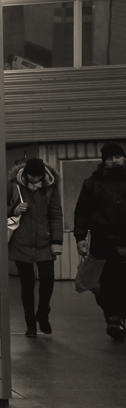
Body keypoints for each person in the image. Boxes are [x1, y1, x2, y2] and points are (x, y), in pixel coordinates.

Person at [74, 142, 126, 342]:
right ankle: (112, 317)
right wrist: (80, 237)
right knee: (101, 282)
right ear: (104, 161)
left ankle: (118, 317)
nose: (115, 161)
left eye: (118, 157)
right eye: (110, 158)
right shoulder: (92, 183)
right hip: (102, 239)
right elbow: (82, 211)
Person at [6, 157, 62, 337]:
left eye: (39, 176)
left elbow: (56, 214)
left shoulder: (51, 187)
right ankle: (30, 325)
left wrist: (57, 241)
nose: (36, 179)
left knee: (47, 279)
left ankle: (43, 313)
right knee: (27, 284)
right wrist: (14, 210)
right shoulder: (14, 186)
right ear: (25, 173)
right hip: (21, 241)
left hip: (44, 241)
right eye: (32, 176)